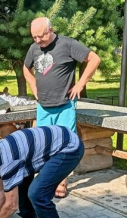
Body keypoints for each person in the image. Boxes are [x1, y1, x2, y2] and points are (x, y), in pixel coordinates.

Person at [23, 17, 100, 198]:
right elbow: (26, 69)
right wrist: (34, 86)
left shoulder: (67, 44)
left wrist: (80, 84)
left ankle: (61, 181)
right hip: (43, 106)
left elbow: (94, 59)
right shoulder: (34, 48)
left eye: (40, 36)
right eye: (33, 37)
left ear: (50, 30)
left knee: (64, 145)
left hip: (65, 104)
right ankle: (44, 180)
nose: (37, 41)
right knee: (43, 145)